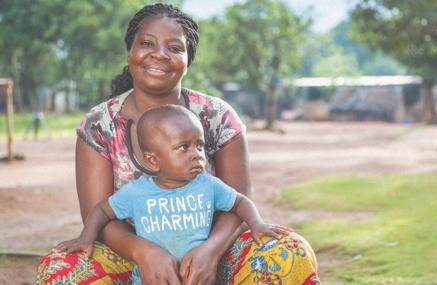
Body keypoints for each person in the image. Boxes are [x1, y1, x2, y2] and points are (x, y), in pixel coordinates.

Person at [36, 3, 320, 285]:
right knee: (61, 271)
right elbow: (98, 215)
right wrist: (144, 252)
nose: (159, 54)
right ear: (130, 50)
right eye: (147, 43)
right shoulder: (100, 124)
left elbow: (238, 201)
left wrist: (210, 251)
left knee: (288, 252)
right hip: (129, 258)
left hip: (214, 253)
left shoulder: (217, 115)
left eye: (174, 47)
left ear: (188, 59)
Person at [54, 105, 291, 285]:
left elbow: (239, 201)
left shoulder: (208, 184)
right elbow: (102, 210)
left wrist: (257, 223)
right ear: (153, 161)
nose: (197, 154)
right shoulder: (138, 192)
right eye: (183, 147)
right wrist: (86, 238)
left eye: (199, 145)